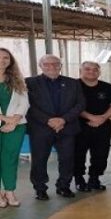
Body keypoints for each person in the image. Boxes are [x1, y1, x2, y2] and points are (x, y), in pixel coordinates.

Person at [25, 54, 85, 200]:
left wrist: (63, 120)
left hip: (67, 127)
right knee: (39, 160)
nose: (51, 67)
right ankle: (40, 189)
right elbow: (27, 106)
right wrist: (49, 120)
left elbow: (80, 104)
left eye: (55, 64)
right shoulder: (29, 82)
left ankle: (63, 186)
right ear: (41, 66)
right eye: (47, 64)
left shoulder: (73, 83)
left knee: (67, 159)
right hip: (41, 128)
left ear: (60, 66)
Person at [74, 61, 111, 192]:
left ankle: (94, 179)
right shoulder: (73, 86)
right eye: (87, 69)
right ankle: (79, 179)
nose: (91, 71)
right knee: (78, 153)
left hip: (102, 126)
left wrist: (103, 118)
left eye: (95, 69)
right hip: (79, 126)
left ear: (99, 72)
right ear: (80, 71)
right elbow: (71, 105)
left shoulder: (108, 87)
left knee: (101, 154)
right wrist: (91, 117)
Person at [0, 48, 29, 207]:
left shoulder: (17, 79)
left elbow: (24, 102)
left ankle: (10, 191)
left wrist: (14, 120)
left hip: (16, 126)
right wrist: (5, 119)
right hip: (7, 121)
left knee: (10, 159)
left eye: (6, 57)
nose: (2, 60)